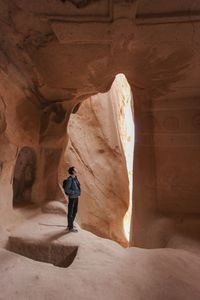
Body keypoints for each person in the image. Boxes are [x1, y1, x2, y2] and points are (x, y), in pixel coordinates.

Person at [63, 166, 81, 232]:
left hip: (76, 197)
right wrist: (73, 192)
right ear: (73, 171)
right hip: (72, 198)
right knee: (70, 212)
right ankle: (70, 228)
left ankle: (70, 225)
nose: (76, 171)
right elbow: (66, 189)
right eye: (75, 170)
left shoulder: (75, 178)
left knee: (75, 211)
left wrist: (77, 193)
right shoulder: (70, 179)